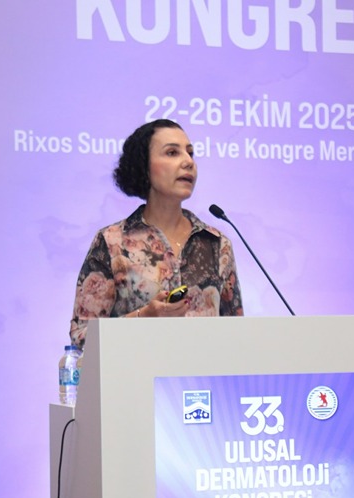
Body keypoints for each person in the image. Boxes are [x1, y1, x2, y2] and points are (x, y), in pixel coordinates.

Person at [69, 119, 243, 349]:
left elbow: (238, 336)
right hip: (133, 372)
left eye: (190, 153)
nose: (188, 162)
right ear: (144, 166)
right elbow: (81, 338)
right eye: (172, 152)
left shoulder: (216, 244)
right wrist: (144, 317)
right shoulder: (112, 242)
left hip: (203, 372)